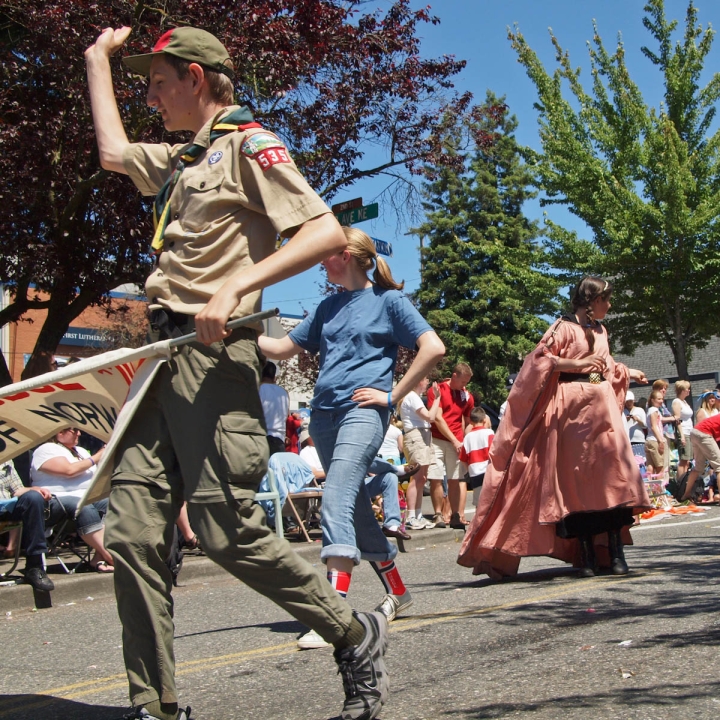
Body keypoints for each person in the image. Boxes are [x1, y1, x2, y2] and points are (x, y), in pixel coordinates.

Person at [86, 25, 389, 720]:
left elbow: (322, 231)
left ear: (196, 78)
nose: (152, 96)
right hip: (159, 363)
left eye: (160, 82)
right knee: (131, 533)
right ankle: (154, 706)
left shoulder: (250, 145)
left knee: (226, 528)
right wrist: (95, 60)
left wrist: (234, 288)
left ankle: (353, 631)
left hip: (213, 359)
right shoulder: (181, 159)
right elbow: (109, 151)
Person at [258, 226, 445, 630]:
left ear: (344, 254)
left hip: (363, 413)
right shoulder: (327, 308)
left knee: (337, 494)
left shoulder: (388, 300)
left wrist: (392, 396)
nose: (318, 260)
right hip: (322, 418)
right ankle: (398, 591)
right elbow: (281, 348)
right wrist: (238, 329)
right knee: (355, 507)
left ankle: (333, 614)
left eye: (323, 254)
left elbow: (433, 347)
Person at [458, 276, 651, 580]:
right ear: (591, 300)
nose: (609, 306)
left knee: (613, 480)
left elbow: (598, 373)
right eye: (606, 300)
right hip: (571, 411)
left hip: (601, 409)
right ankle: (587, 555)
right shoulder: (562, 327)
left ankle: (615, 553)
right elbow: (539, 362)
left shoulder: (601, 330)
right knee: (578, 486)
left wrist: (621, 373)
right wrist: (578, 365)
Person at [31, 428, 114, 573]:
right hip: (53, 502)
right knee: (82, 506)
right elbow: (69, 470)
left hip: (87, 498)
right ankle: (111, 557)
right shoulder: (46, 449)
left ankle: (98, 559)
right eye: (74, 430)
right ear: (59, 432)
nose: (79, 434)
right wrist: (99, 455)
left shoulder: (81, 451)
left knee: (115, 503)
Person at [426, 364, 475, 529]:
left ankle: (455, 514)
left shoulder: (466, 396)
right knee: (436, 477)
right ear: (454, 376)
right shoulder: (437, 390)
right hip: (437, 439)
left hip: (456, 441)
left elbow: (468, 422)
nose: (464, 385)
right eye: (462, 381)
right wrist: (455, 440)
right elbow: (438, 418)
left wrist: (465, 440)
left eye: (467, 382)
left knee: (455, 478)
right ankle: (438, 514)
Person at [0, 460, 55, 592]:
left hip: (5, 508)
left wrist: (35, 489)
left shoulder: (6, 457)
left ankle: (35, 566)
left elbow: (17, 490)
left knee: (33, 498)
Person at [399, 377, 441, 530]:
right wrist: (437, 398)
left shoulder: (415, 397)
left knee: (422, 478)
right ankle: (410, 516)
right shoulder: (411, 396)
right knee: (416, 477)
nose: (428, 382)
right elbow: (430, 417)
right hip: (416, 436)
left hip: (423, 435)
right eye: (425, 379)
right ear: (417, 381)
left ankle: (417, 514)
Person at [458, 407, 494, 506]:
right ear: (485, 420)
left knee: (479, 501)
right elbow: (494, 452)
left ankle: (479, 520)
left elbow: (463, 458)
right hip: (488, 470)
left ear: (470, 421)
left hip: (474, 472)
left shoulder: (468, 437)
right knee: (491, 499)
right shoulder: (489, 433)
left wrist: (469, 471)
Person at [682, 412, 720, 502]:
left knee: (698, 467)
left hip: (696, 431)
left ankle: (686, 495)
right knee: (719, 466)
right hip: (704, 433)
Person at [259, 361, 290, 456]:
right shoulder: (284, 392)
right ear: (274, 377)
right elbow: (287, 416)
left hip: (261, 437)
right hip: (279, 439)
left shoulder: (258, 389)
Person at [672, 380, 694, 479]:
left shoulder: (684, 402)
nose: (689, 390)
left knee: (688, 460)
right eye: (687, 389)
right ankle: (681, 482)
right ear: (681, 390)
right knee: (683, 460)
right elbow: (677, 419)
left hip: (690, 431)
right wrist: (682, 436)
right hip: (683, 432)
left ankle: (686, 480)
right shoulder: (676, 402)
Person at [644, 390, 666, 479]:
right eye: (659, 399)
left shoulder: (649, 410)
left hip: (648, 440)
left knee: (650, 467)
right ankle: (659, 490)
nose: (661, 401)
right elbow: (654, 426)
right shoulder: (654, 410)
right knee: (660, 467)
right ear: (653, 400)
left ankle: (650, 490)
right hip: (654, 440)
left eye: (662, 399)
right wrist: (660, 441)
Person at [623, 391, 647, 460]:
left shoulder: (640, 410)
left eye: (630, 401)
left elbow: (645, 425)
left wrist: (637, 419)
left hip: (639, 439)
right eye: (627, 401)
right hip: (627, 439)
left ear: (633, 401)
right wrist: (625, 420)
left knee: (641, 459)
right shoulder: (623, 412)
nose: (628, 403)